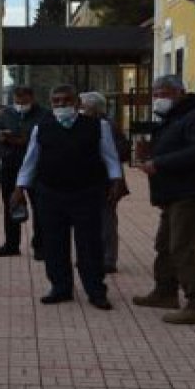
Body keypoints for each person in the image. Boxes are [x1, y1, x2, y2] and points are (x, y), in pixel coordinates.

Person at [10, 84, 125, 310]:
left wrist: (116, 181)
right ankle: (60, 288)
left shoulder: (98, 126)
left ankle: (96, 291)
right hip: (51, 194)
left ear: (77, 103)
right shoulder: (41, 127)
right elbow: (30, 160)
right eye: (56, 101)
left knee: (90, 245)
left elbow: (110, 157)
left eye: (66, 100)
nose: (61, 105)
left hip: (87, 193)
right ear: (51, 103)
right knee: (54, 244)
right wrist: (19, 187)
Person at [132, 75, 195, 325]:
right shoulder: (174, 119)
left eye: (164, 93)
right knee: (164, 245)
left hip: (192, 194)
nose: (159, 99)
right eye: (156, 94)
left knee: (181, 247)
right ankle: (165, 292)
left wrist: (158, 163)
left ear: (180, 92)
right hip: (174, 194)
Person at [0, 87, 49, 258]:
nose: (20, 105)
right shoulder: (7, 113)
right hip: (10, 165)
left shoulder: (44, 114)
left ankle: (40, 246)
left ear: (32, 98)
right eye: (17, 101)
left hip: (35, 166)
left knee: (39, 206)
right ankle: (11, 244)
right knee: (11, 204)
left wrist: (22, 139)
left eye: (24, 101)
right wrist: (0, 137)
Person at [79, 91, 130, 273]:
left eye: (82, 106)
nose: (79, 110)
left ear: (93, 108)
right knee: (93, 220)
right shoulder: (88, 124)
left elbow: (121, 151)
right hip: (93, 180)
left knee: (106, 220)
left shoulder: (107, 125)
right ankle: (93, 256)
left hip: (107, 180)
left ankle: (108, 259)